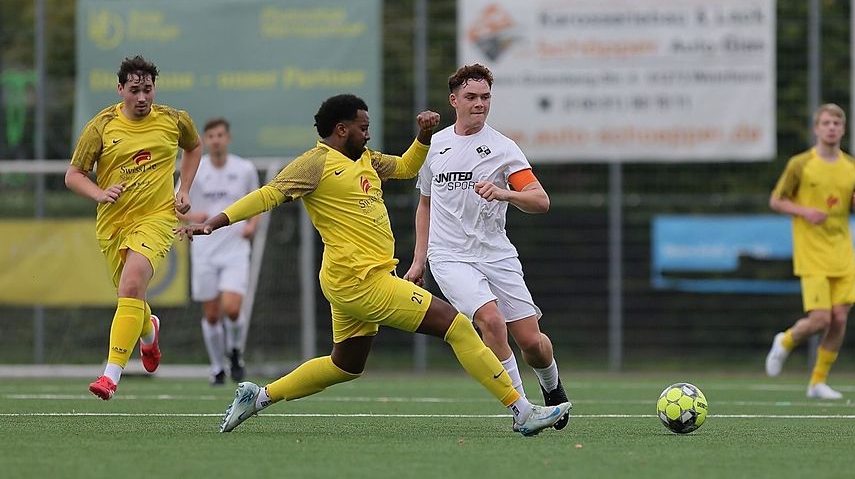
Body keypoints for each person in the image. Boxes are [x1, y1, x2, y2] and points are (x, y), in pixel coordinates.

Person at [174, 94, 570, 436]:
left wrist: (423, 138)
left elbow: (407, 167)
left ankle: (256, 397)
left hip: (351, 281)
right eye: (364, 127)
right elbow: (266, 195)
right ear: (342, 129)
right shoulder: (314, 163)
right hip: (362, 282)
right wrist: (215, 221)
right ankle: (521, 411)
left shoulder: (365, 159)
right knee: (459, 327)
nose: (369, 132)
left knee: (345, 365)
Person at [403, 63, 570, 430]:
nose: (480, 104)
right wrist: (419, 261)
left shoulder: (502, 148)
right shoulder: (435, 146)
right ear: (454, 100)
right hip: (449, 257)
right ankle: (523, 409)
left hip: (496, 254)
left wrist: (504, 193)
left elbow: (540, 201)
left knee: (532, 343)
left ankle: (552, 387)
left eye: (485, 97)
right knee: (490, 321)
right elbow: (426, 204)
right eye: (471, 97)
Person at [66, 55, 202, 400]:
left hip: (157, 218)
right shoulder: (102, 125)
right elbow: (73, 176)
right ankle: (148, 331)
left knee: (131, 285)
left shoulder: (174, 120)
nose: (142, 98)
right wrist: (100, 192)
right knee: (131, 297)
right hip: (113, 223)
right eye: (135, 90)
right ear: (120, 89)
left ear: (154, 88)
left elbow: (194, 146)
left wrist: (183, 188)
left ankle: (110, 375)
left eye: (148, 89)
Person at [764, 103, 855, 399]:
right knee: (821, 319)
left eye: (837, 123)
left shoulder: (852, 167)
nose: (831, 127)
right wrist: (804, 212)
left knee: (840, 318)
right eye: (826, 123)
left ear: (843, 129)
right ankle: (785, 341)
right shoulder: (800, 164)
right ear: (816, 128)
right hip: (811, 252)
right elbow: (776, 200)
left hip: (842, 251)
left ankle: (817, 382)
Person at [178, 117, 260, 385]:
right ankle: (217, 367)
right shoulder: (194, 170)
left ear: (228, 138)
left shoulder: (244, 168)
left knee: (232, 308)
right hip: (204, 250)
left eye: (220, 135)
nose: (216, 140)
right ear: (204, 139)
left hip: (235, 248)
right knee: (212, 314)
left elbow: (258, 202)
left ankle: (236, 352)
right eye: (210, 136)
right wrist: (191, 217)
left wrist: (251, 226)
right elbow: (175, 205)